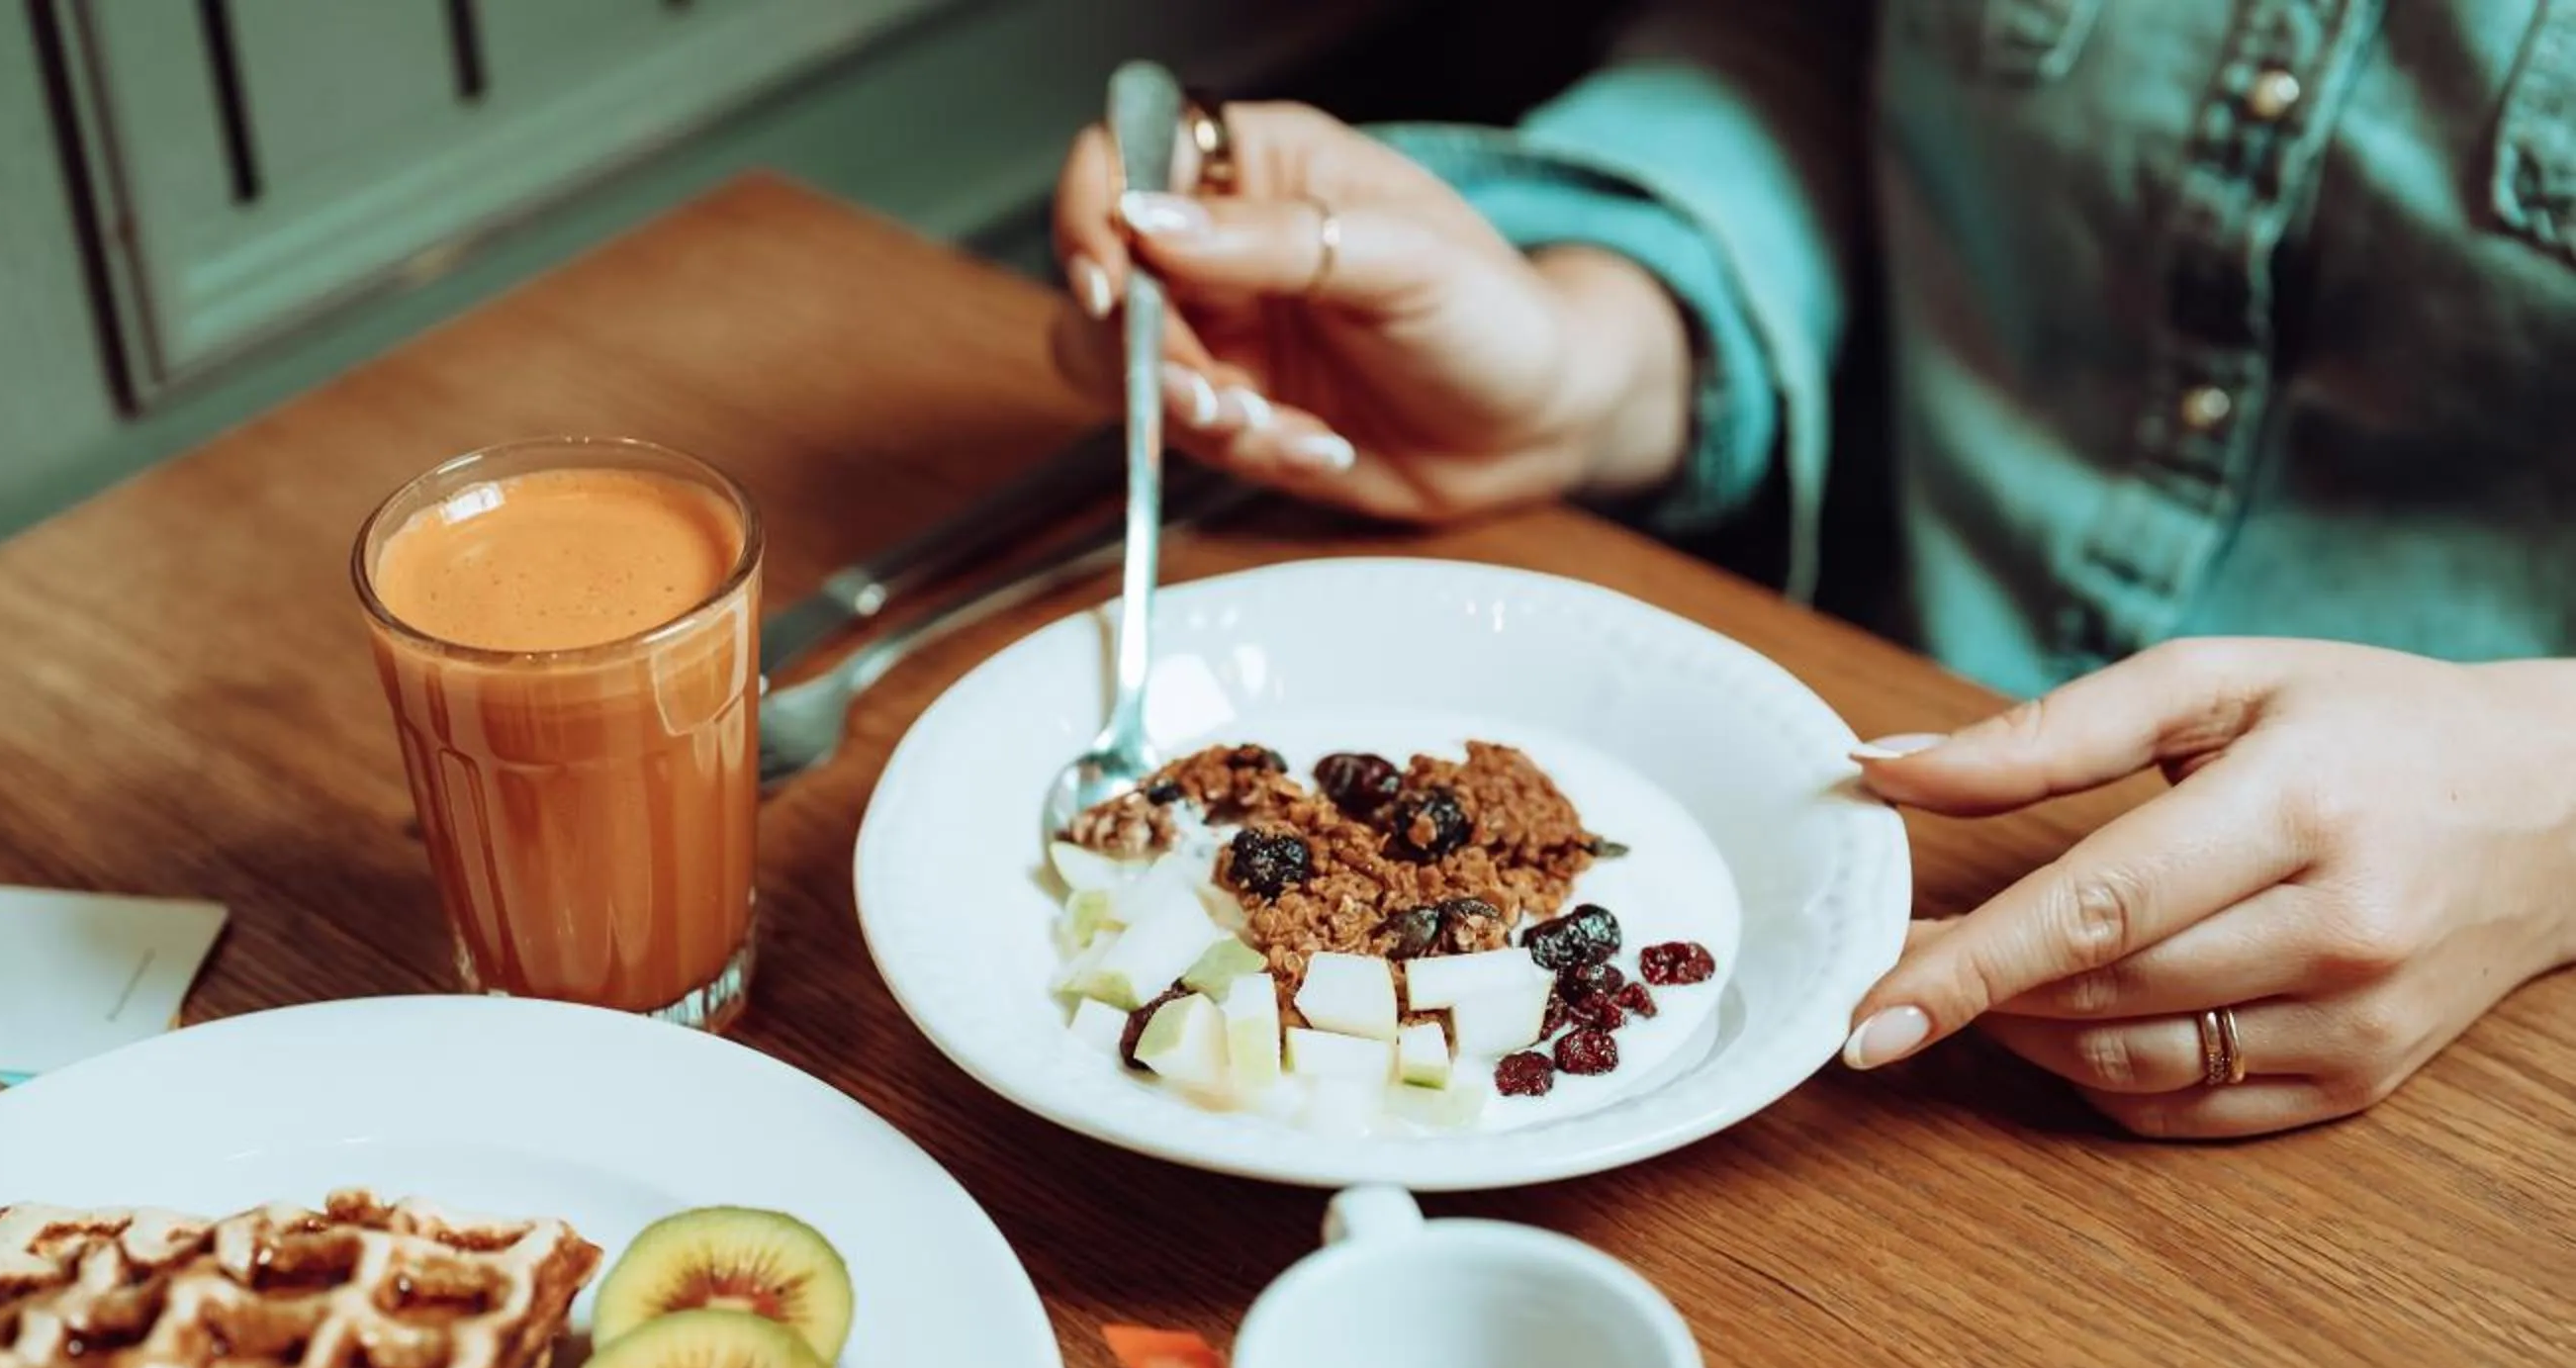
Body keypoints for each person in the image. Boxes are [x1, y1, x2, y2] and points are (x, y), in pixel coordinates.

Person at [1047, 7, 2576, 1139]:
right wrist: (1597, 346)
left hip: (2469, 1039)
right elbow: (1817, 46)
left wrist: (2546, 798)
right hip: (1848, 802)